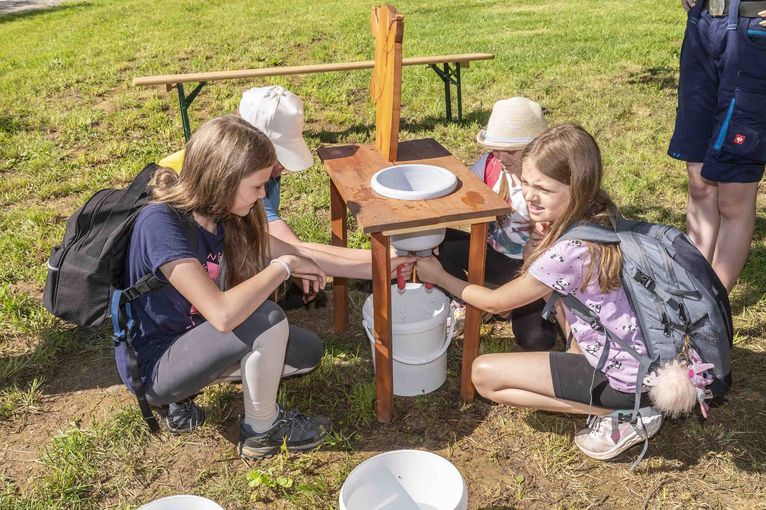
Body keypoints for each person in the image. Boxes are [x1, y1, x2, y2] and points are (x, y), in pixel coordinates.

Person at [118, 115, 410, 459]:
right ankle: (261, 431)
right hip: (158, 362)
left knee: (307, 353)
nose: (261, 198)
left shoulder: (224, 214)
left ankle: (206, 380)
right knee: (267, 320)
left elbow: (305, 255)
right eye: (257, 187)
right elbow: (223, 314)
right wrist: (282, 268)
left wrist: (390, 264)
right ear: (223, 179)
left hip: (201, 338)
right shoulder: (161, 222)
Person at [415, 125, 663, 461]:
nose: (529, 197)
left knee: (483, 375)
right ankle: (605, 384)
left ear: (578, 188)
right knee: (560, 302)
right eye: (526, 183)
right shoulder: (601, 216)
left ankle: (627, 412)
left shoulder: (571, 250)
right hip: (643, 353)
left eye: (543, 188)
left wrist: (438, 275)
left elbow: (495, 302)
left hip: (627, 376)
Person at [160, 85, 390, 307]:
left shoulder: (247, 176)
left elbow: (284, 248)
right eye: (277, 156)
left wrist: (385, 260)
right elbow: (289, 248)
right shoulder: (219, 187)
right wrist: (381, 262)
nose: (281, 168)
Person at [435, 97, 557, 351]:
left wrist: (516, 295)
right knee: (436, 241)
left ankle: (503, 301)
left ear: (537, 149)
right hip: (492, 256)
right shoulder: (490, 165)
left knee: (536, 339)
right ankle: (468, 299)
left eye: (510, 151)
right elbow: (458, 196)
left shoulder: (552, 185)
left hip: (532, 270)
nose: (500, 157)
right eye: (495, 149)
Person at [669, 0, 766, 291]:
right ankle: (692, 291)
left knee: (733, 196)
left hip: (753, 34)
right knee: (700, 183)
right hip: (703, 26)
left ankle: (713, 307)